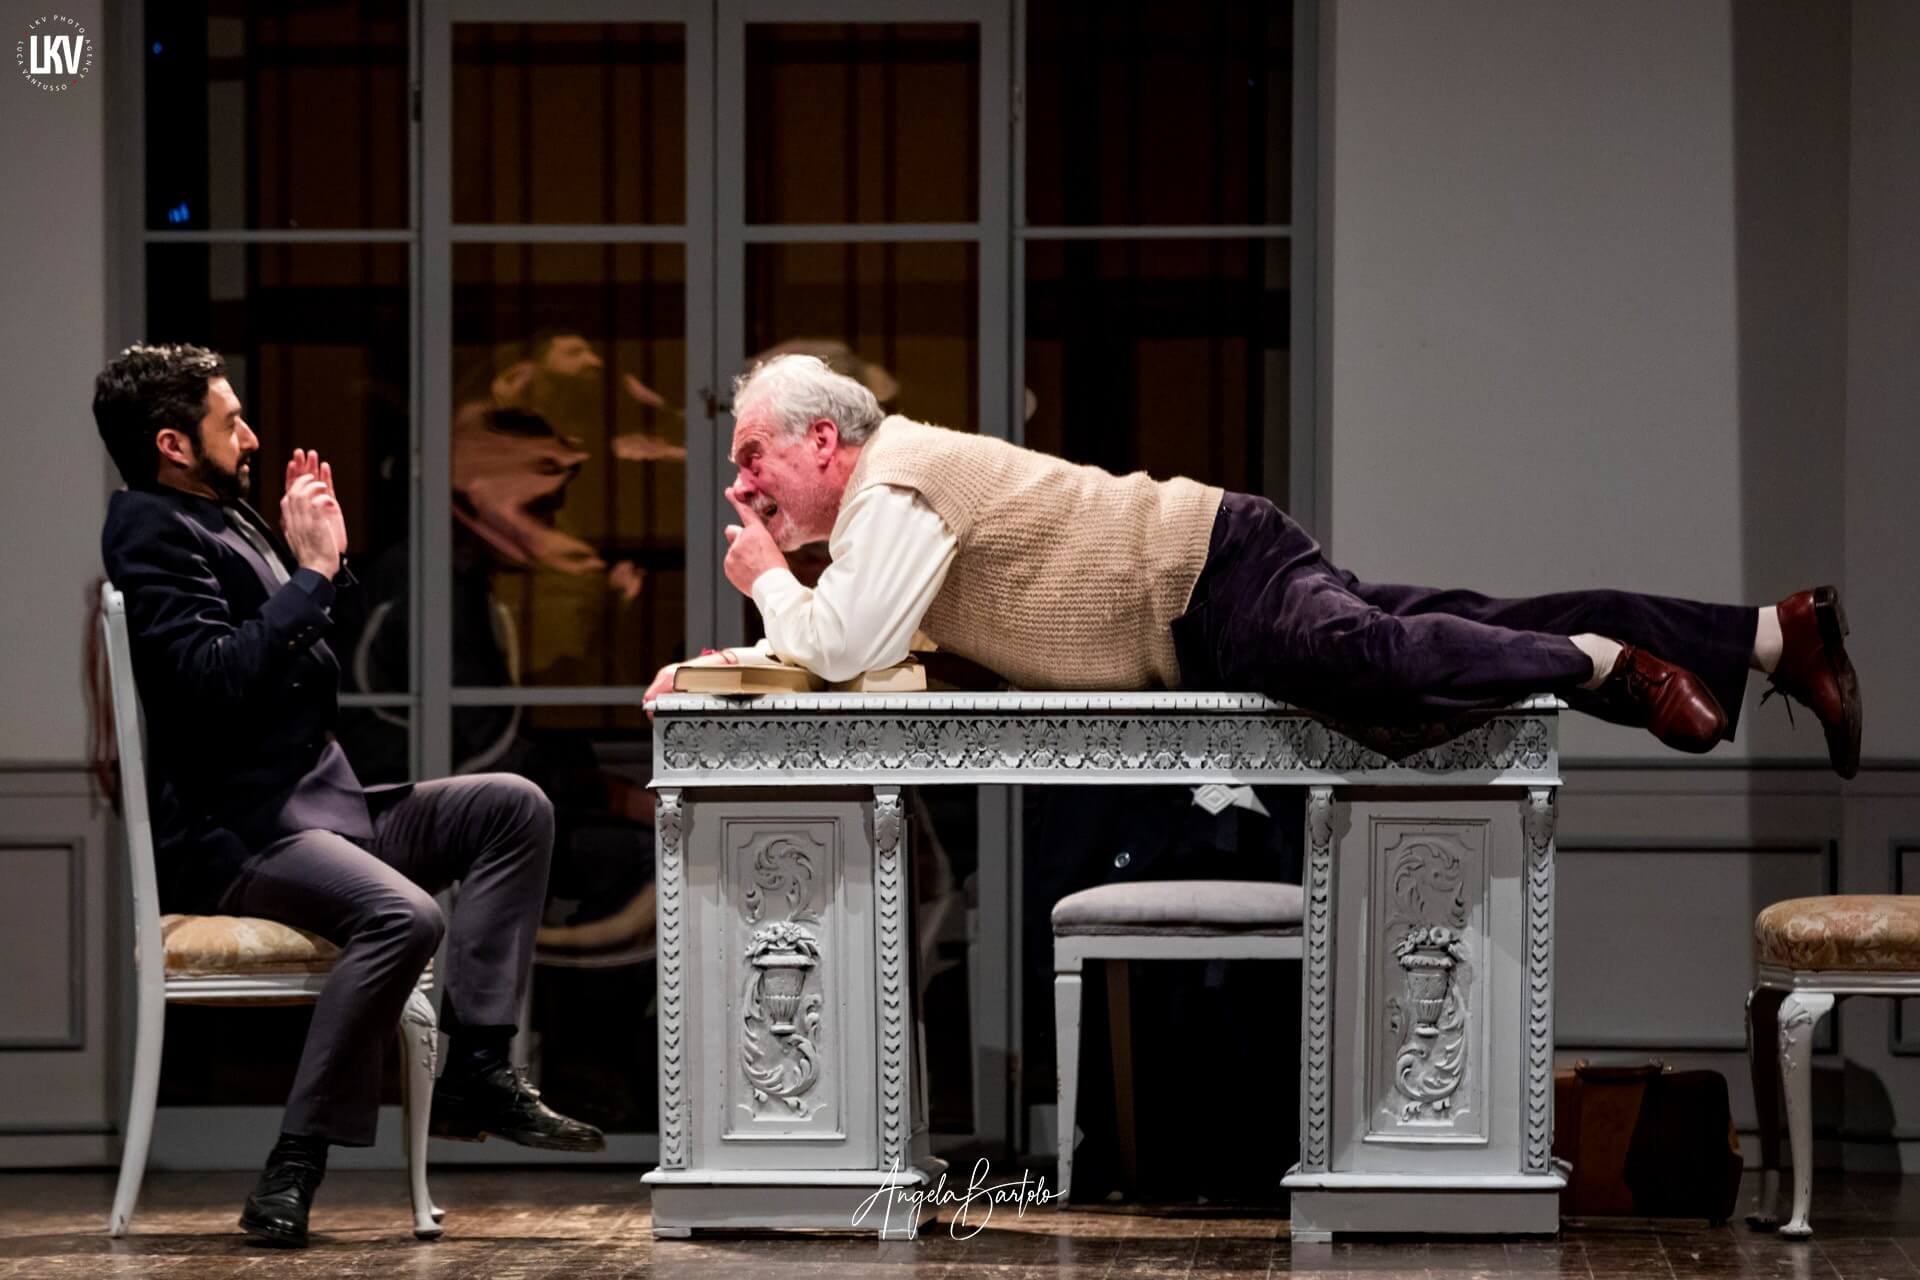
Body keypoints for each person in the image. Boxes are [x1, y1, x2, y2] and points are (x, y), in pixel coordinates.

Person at [647, 354, 1862, 777]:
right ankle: (1773, 632)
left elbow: (845, 641)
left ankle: (1599, 662)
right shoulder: (882, 513)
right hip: (1206, 579)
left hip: (1203, 579)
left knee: (1364, 655)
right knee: (1458, 621)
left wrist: (763, 578)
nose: (742, 485)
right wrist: (722, 670)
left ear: (824, 440)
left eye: (754, 455)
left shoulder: (896, 478)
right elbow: (864, 650)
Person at [94, 344, 605, 1249]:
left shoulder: (224, 512)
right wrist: (313, 574)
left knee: (512, 805)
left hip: (322, 806)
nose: (251, 437)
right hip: (238, 833)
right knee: (404, 916)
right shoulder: (149, 529)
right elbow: (212, 678)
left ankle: (478, 1067)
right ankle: (294, 1164)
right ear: (173, 444)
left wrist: (318, 559)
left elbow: (299, 644)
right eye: (230, 422)